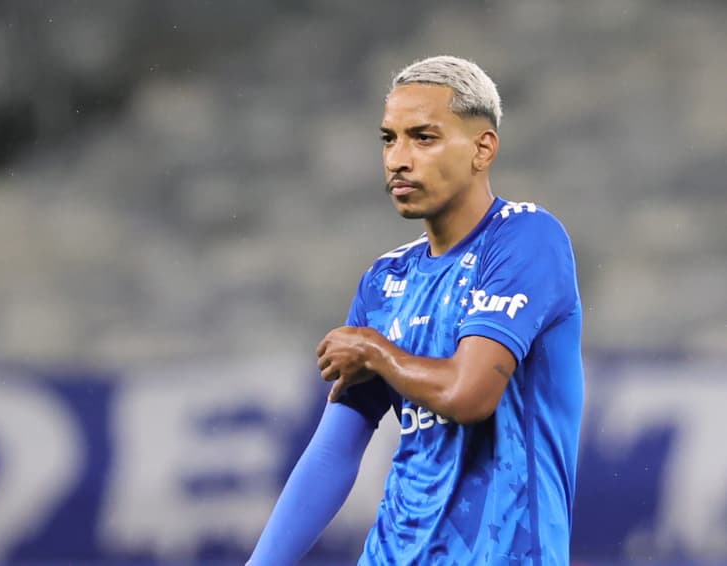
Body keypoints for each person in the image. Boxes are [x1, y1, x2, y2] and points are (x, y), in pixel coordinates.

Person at [248, 55, 584, 565]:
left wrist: (376, 351)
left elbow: (469, 394)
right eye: (389, 138)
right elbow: (333, 453)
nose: (398, 159)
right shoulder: (385, 282)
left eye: (423, 138)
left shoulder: (526, 238)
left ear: (482, 148)